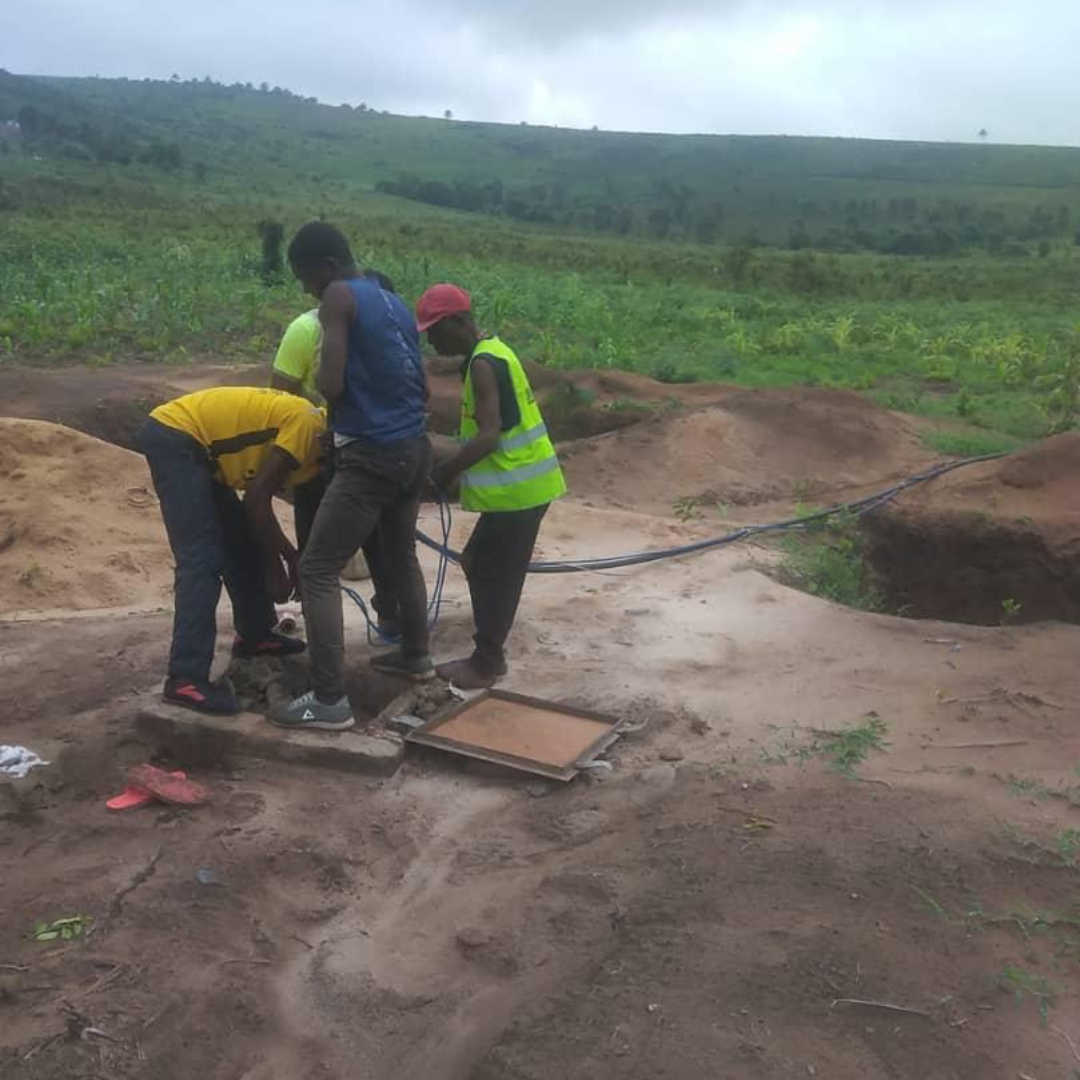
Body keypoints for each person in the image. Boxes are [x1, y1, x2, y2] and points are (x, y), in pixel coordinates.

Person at [268, 222, 433, 732]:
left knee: (318, 567)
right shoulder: (394, 301)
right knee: (401, 555)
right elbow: (420, 385)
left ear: (329, 266)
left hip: (371, 454)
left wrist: (330, 391)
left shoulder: (338, 297)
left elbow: (331, 383)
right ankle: (416, 656)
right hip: (414, 447)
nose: (308, 291)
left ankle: (328, 699)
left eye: (307, 279)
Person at [138, 387, 325, 715]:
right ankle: (185, 678)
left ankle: (255, 634)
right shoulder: (309, 426)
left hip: (205, 452)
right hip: (177, 436)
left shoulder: (319, 451)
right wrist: (280, 565)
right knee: (201, 558)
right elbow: (256, 498)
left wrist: (296, 559)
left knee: (242, 542)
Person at [416, 283, 566, 689]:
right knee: (479, 562)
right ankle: (488, 656)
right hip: (522, 486)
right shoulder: (494, 351)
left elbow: (488, 436)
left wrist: (441, 474)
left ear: (458, 321)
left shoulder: (483, 363)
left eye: (436, 330)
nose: (432, 341)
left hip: (519, 489)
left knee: (495, 571)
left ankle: (486, 662)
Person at [270, 271, 401, 633]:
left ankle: (391, 618)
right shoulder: (306, 331)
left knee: (380, 545)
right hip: (317, 459)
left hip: (366, 454)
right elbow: (278, 400)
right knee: (314, 550)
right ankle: (319, 630)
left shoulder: (386, 334)